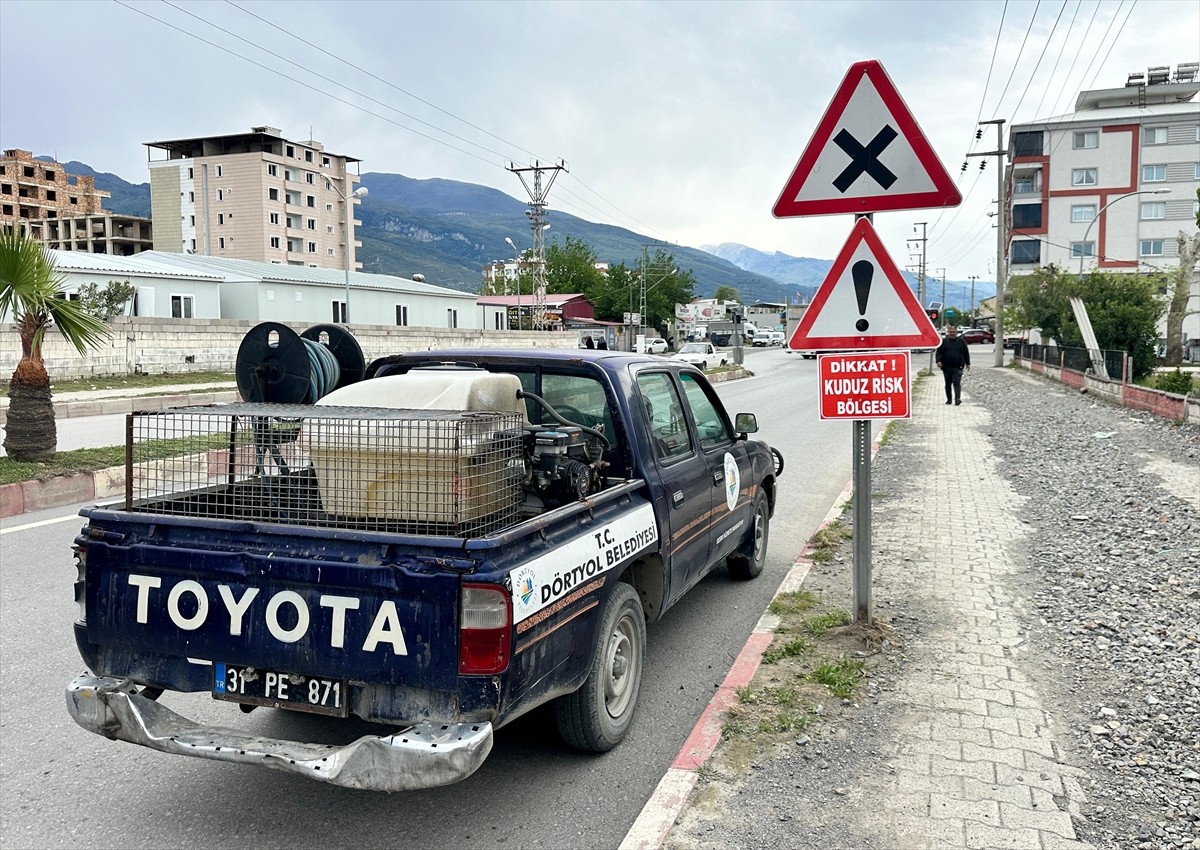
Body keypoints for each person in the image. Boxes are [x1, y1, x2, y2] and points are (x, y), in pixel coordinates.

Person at [936, 325, 971, 405]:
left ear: (956, 332)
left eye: (953, 332)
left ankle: (957, 398)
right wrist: (938, 361)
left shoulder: (961, 341)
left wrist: (968, 363)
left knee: (957, 383)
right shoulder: (944, 342)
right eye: (950, 332)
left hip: (958, 366)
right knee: (948, 384)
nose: (952, 333)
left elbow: (966, 352)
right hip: (946, 367)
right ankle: (949, 399)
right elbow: (938, 352)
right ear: (948, 332)